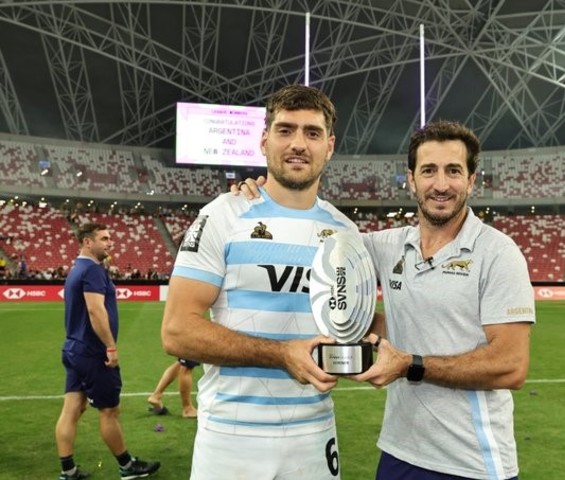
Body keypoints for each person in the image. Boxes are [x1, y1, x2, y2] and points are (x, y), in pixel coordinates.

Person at [237, 120, 536, 479]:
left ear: (471, 180)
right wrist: (269, 193)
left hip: (471, 462)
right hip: (398, 452)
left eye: (453, 171)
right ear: (411, 179)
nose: (440, 184)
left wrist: (410, 364)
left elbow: (511, 364)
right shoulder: (386, 246)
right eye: (428, 171)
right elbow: (318, 248)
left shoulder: (498, 253)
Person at [161, 84, 359, 480]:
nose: (298, 143)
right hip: (231, 439)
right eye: (285, 130)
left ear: (330, 146)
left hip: (314, 435)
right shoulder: (223, 214)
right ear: (264, 140)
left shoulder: (345, 232)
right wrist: (282, 353)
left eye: (312, 133)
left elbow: (349, 328)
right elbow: (178, 332)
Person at [55, 222, 161, 480]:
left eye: (110, 237)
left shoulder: (77, 268)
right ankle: (127, 466)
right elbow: (95, 309)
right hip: (93, 352)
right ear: (87, 242)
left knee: (72, 409)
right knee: (109, 411)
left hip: (73, 349)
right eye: (103, 238)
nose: (110, 242)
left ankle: (68, 470)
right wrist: (110, 346)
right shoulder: (92, 270)